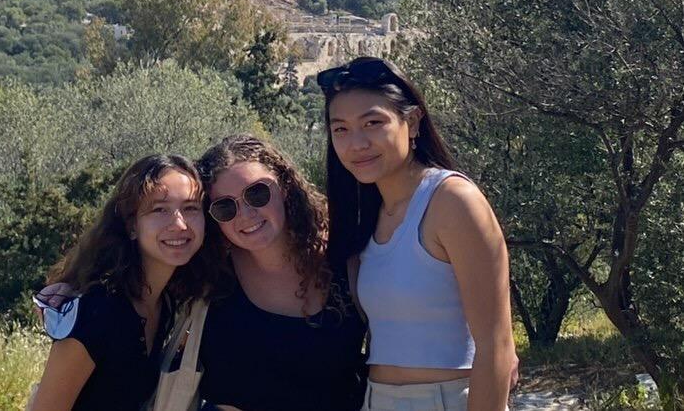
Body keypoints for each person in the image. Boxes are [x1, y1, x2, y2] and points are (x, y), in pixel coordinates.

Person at [318, 57, 516, 411]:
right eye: (341, 129)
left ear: (411, 123)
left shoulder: (453, 201)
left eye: (373, 123)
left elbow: (497, 346)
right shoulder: (365, 215)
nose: (356, 143)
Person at [29, 154, 217, 411]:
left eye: (190, 208)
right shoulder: (96, 312)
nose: (179, 223)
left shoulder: (167, 304)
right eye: (159, 209)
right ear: (131, 225)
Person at [196, 134, 367, 411]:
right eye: (225, 207)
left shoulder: (347, 257)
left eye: (257, 193)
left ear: (285, 186)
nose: (246, 214)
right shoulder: (209, 277)